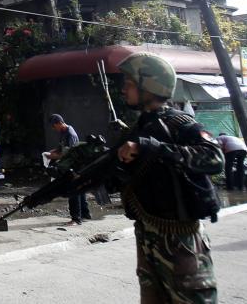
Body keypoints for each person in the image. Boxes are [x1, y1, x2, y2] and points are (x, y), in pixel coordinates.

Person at [115, 52, 223, 303]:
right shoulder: (141, 127)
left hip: (180, 239)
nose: (123, 91)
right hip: (148, 234)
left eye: (129, 84)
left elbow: (214, 159)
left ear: (149, 86)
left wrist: (152, 148)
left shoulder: (179, 123)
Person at [46, 114, 91, 225]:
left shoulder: (70, 134)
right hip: (73, 165)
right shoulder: (63, 132)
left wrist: (52, 157)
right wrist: (54, 150)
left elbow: (68, 154)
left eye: (54, 126)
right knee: (80, 189)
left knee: (73, 190)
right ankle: (85, 214)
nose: (53, 129)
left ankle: (76, 219)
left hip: (74, 165)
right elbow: (61, 147)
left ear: (59, 123)